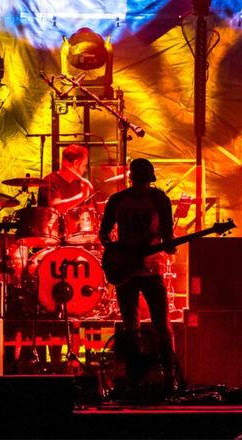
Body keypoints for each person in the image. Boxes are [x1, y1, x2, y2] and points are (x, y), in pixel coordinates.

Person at [98, 158, 177, 391]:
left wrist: (116, 252)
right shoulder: (158, 198)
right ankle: (165, 376)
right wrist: (170, 247)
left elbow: (104, 234)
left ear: (130, 177)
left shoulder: (118, 199)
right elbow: (168, 235)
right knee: (157, 324)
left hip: (135, 270)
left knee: (135, 324)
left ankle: (138, 378)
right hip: (146, 270)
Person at [40, 144, 96, 238]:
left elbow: (89, 211)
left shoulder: (80, 184)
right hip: (52, 237)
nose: (85, 170)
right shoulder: (50, 181)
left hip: (76, 237)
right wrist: (82, 196)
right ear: (76, 164)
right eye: (84, 165)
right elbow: (56, 208)